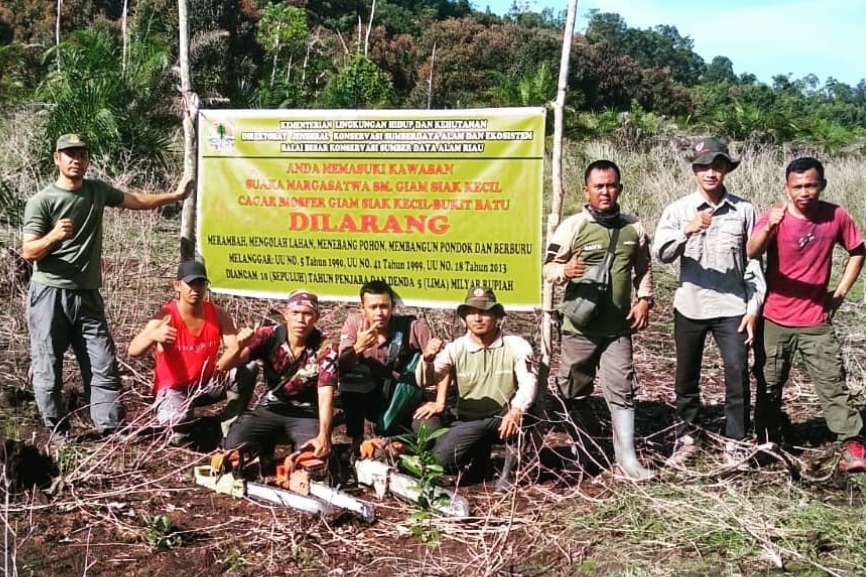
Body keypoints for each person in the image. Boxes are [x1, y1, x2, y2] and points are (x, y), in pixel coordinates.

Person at [22, 133, 193, 438]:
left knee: (103, 361)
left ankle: (111, 427)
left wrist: (175, 196)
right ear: (56, 159)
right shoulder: (42, 201)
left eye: (81, 155)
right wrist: (53, 237)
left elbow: (136, 200)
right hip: (50, 294)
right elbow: (29, 251)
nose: (76, 160)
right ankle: (59, 433)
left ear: (87, 159)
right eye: (69, 154)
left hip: (88, 295)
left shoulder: (96, 191)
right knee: (48, 369)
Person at [652, 137, 766, 467]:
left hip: (732, 307)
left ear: (727, 169)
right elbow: (661, 254)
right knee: (686, 376)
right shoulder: (678, 210)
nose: (711, 172)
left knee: (737, 373)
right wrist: (686, 231)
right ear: (694, 171)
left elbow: (754, 262)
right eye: (704, 166)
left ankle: (736, 441)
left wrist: (754, 308)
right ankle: (687, 437)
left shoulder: (744, 210)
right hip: (691, 305)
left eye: (718, 165)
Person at [747, 157, 866, 472]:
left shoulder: (835, 216)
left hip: (816, 320)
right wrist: (771, 225)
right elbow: (752, 251)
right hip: (774, 318)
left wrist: (839, 294)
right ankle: (768, 439)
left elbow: (858, 250)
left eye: (811, 185)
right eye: (797, 186)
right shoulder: (775, 216)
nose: (805, 192)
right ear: (787, 188)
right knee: (768, 383)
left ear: (822, 185)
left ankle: (852, 444)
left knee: (832, 383)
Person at [543, 159, 654, 480]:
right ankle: (582, 452)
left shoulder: (633, 227)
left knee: (622, 389)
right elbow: (548, 267)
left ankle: (628, 460)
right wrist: (565, 271)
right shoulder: (573, 226)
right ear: (586, 190)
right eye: (599, 186)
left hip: (618, 328)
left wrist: (645, 299)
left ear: (619, 187)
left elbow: (644, 269)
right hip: (579, 328)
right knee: (574, 390)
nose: (605, 192)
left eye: (611, 185)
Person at [416, 286, 537, 491]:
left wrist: (516, 409)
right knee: (423, 423)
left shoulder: (516, 345)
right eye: (471, 312)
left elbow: (529, 382)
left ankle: (508, 475)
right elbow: (426, 380)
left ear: (497, 316)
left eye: (485, 312)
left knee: (525, 413)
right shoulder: (456, 348)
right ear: (464, 318)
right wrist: (427, 359)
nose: (478, 318)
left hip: (502, 418)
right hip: (467, 420)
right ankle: (476, 460)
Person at [127, 261, 258, 444]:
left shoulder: (217, 314)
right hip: (174, 389)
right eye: (190, 284)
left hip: (207, 384)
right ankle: (180, 425)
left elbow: (235, 347)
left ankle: (229, 424)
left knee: (248, 368)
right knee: (179, 432)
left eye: (200, 283)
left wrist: (240, 345)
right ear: (177, 285)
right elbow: (133, 350)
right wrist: (154, 335)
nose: (195, 289)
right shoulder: (166, 315)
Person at [219, 291, 338, 466]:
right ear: (286, 314)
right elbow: (223, 365)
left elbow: (325, 395)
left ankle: (287, 466)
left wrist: (324, 436)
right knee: (233, 448)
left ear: (316, 317)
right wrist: (238, 346)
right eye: (295, 313)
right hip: (271, 406)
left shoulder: (326, 348)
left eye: (307, 314)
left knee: (313, 458)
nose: (300, 319)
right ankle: (262, 454)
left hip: (305, 413)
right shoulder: (268, 335)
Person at [338, 280, 442, 452]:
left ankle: (394, 445)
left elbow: (443, 365)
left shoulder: (411, 326)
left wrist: (438, 402)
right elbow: (340, 367)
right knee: (351, 378)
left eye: (384, 306)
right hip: (368, 396)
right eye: (373, 307)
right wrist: (358, 347)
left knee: (432, 432)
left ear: (392, 306)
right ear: (362, 307)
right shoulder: (355, 324)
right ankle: (357, 438)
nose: (379, 312)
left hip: (404, 397)